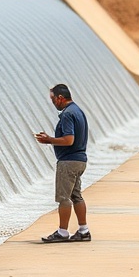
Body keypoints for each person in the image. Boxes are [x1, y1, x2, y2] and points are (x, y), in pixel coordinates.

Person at [34, 83, 91, 243]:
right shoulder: (78, 111)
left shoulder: (67, 114)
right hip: (80, 160)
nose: (52, 103)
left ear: (60, 98)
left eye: (53, 99)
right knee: (76, 196)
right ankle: (83, 231)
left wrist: (48, 140)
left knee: (64, 198)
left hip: (69, 162)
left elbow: (68, 140)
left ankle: (63, 232)